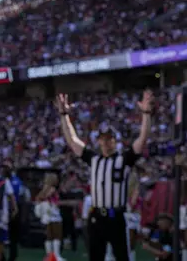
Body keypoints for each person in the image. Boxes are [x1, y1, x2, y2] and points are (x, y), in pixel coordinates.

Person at [56, 90, 153, 261]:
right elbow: (72, 140)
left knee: (122, 256)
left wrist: (146, 113)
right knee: (96, 257)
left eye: (109, 139)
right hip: (97, 217)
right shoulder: (94, 159)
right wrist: (64, 115)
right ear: (98, 141)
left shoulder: (123, 160)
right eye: (103, 139)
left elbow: (142, 140)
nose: (105, 142)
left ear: (115, 141)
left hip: (116, 216)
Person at [35, 173, 64, 261]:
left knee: (50, 236)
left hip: (49, 214)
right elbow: (39, 198)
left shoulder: (46, 188)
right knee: (56, 235)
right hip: (52, 213)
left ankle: (50, 255)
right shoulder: (50, 188)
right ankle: (55, 255)